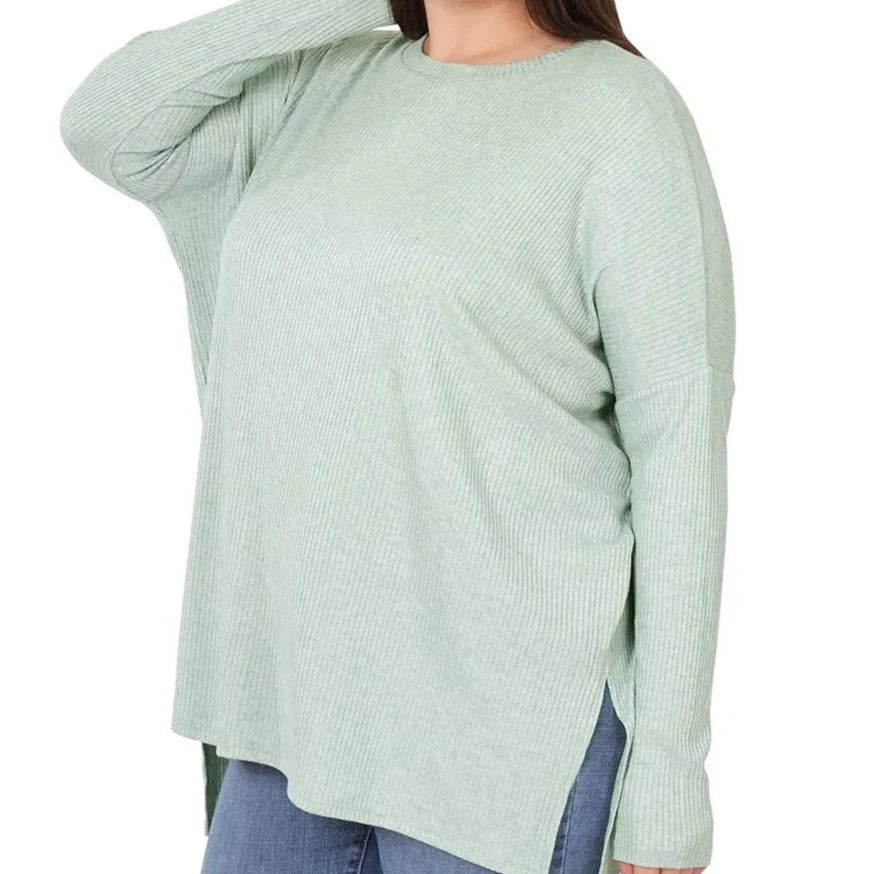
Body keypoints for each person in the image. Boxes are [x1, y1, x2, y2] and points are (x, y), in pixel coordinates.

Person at [58, 1, 735, 872]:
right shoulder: (320, 81)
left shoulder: (619, 114)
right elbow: (108, 121)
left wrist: (670, 775)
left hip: (504, 738)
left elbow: (679, 449)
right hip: (293, 710)